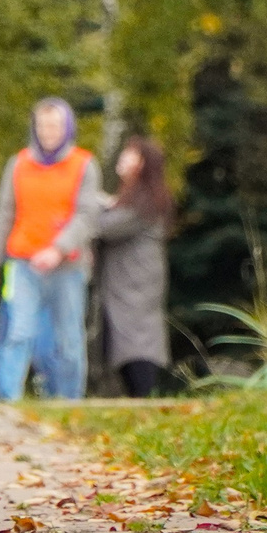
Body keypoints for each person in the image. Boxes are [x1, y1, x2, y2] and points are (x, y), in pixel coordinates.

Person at [0, 99, 101, 401]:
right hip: (22, 264)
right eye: (42, 126)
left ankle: (69, 402)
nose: (47, 132)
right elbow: (4, 216)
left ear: (66, 128)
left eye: (53, 126)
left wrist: (58, 249)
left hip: (67, 268)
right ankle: (6, 402)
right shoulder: (19, 164)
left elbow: (86, 216)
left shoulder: (83, 165)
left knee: (68, 341)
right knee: (18, 333)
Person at [94, 134, 173, 396]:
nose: (123, 158)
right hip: (128, 284)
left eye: (131, 154)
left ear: (143, 164)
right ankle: (139, 397)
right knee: (125, 344)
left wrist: (87, 207)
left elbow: (107, 227)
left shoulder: (144, 200)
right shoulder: (135, 197)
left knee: (137, 345)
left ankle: (145, 398)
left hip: (136, 285)